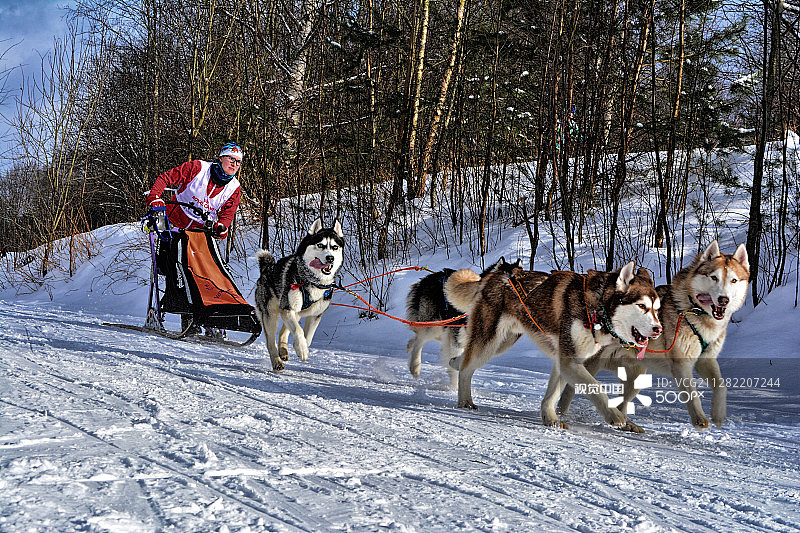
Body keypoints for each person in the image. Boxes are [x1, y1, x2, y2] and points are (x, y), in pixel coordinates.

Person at [146, 142, 244, 335]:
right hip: (175, 225)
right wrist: (155, 197)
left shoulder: (234, 187)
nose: (234, 165)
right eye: (231, 159)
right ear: (221, 158)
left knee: (207, 271)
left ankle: (210, 314)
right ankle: (187, 315)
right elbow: (166, 178)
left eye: (238, 162)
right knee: (178, 269)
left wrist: (222, 227)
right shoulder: (198, 168)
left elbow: (227, 214)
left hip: (200, 234)